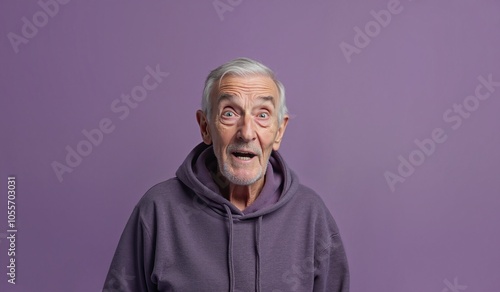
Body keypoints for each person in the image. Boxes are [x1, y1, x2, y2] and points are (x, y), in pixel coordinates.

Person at [103, 57, 349, 292]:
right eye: (230, 113)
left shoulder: (311, 214)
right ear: (205, 127)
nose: (246, 132)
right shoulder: (158, 210)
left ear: (279, 131)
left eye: (262, 115)